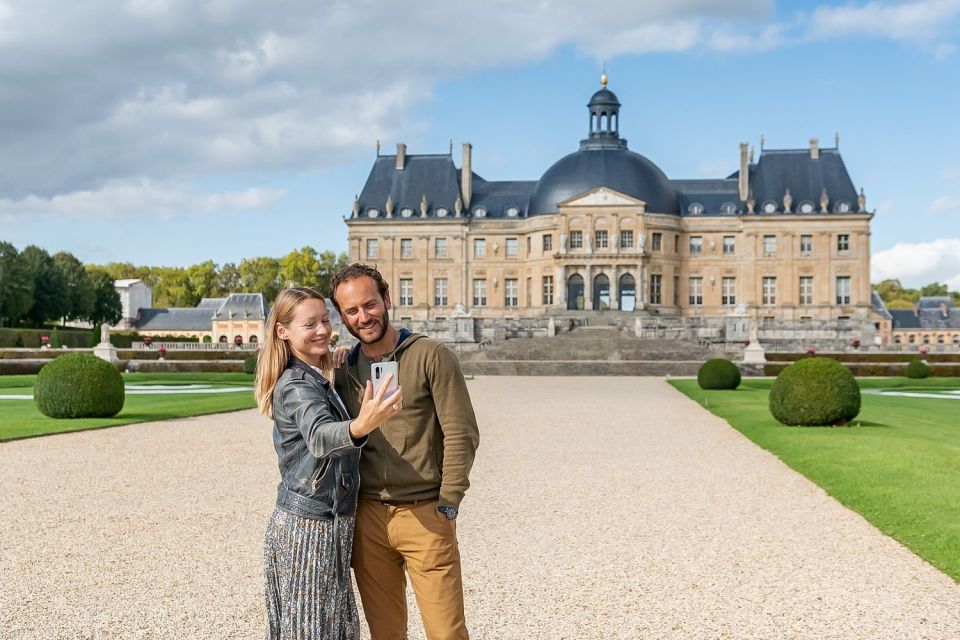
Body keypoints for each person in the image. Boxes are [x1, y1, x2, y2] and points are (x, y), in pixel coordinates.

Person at [330, 264, 480, 640]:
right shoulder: (344, 369)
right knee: (386, 633)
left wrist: (449, 502)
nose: (363, 317)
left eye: (370, 304)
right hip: (367, 519)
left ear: (387, 300)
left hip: (425, 515)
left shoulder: (431, 355)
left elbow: (462, 433)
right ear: (343, 317)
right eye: (352, 311)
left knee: (446, 633)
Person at [254, 287, 403, 640]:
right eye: (311, 324)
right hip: (309, 526)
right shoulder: (295, 384)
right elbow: (320, 437)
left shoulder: (316, 375)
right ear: (282, 331)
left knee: (327, 627)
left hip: (325, 520)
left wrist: (335, 363)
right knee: (313, 630)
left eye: (325, 320)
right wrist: (363, 423)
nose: (323, 329)